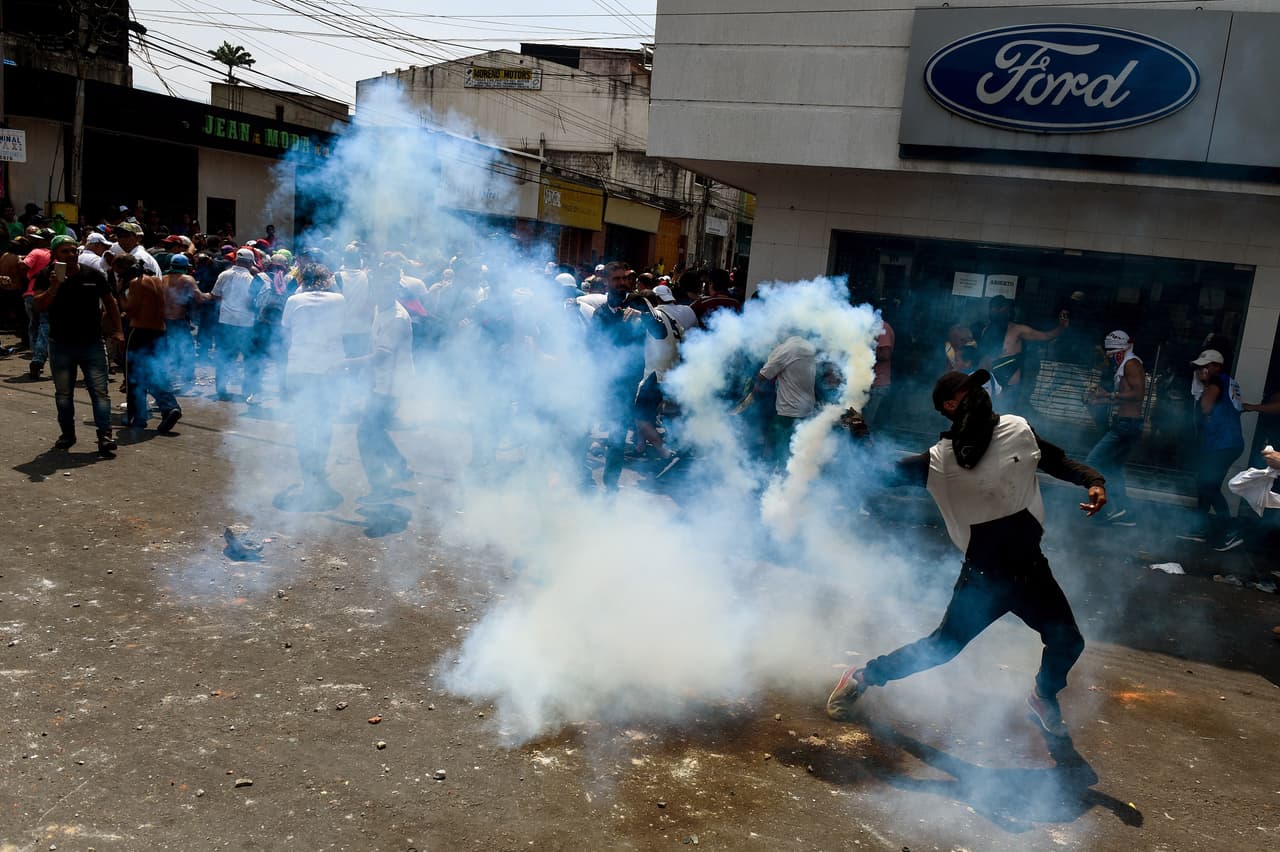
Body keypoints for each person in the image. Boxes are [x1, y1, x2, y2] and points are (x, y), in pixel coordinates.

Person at [827, 370, 1106, 738]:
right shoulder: (938, 462)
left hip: (1031, 572)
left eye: (978, 385)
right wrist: (859, 438)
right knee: (941, 648)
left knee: (1068, 641)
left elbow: (1056, 460)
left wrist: (1092, 480)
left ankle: (1042, 696)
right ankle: (863, 676)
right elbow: (879, 475)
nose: (978, 392)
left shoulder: (1017, 428)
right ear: (949, 405)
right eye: (966, 390)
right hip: (983, 580)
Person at [31, 235, 124, 453]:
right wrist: (54, 287)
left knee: (100, 392)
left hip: (92, 343)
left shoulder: (93, 275)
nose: (71, 255)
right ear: (55, 254)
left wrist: (119, 330)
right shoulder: (45, 276)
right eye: (65, 251)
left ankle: (105, 436)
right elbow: (39, 306)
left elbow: (110, 303)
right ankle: (67, 433)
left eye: (74, 251)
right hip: (60, 345)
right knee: (64, 394)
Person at [345, 265, 414, 501]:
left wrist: (346, 363)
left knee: (366, 433)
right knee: (373, 429)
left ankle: (380, 487)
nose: (381, 292)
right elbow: (373, 344)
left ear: (395, 289)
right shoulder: (380, 309)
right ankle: (398, 465)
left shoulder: (397, 318)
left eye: (387, 288)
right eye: (378, 287)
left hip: (393, 386)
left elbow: (381, 356)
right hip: (382, 382)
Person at [281, 264, 346, 501]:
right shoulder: (339, 299)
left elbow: (286, 335)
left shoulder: (293, 300)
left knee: (303, 424)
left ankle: (308, 475)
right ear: (327, 280)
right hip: (330, 370)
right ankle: (319, 469)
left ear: (302, 280)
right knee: (325, 422)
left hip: (299, 369)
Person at [1179, 350, 1245, 551]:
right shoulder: (1229, 382)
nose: (1201, 371)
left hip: (1222, 443)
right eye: (1200, 367)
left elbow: (1206, 407)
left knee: (1208, 486)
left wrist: (1205, 385)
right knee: (1205, 484)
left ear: (1217, 366)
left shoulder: (1217, 380)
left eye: (1205, 367)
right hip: (1224, 443)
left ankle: (1230, 531)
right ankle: (1199, 529)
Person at [1084, 330, 1146, 526]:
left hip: (1127, 425)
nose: (1111, 358)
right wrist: (1101, 400)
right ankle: (1124, 509)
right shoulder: (1125, 364)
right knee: (1113, 467)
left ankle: (1107, 504)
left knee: (1093, 461)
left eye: (1113, 354)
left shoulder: (1131, 363)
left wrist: (1108, 396)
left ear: (1122, 350)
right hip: (1125, 423)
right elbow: (1126, 397)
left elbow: (1138, 395)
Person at [118, 255, 182, 433]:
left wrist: (120, 294)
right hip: (159, 332)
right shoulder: (158, 281)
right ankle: (170, 407)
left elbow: (131, 310)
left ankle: (137, 416)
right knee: (156, 373)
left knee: (134, 376)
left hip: (139, 332)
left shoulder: (136, 283)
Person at [977, 295, 1068, 410]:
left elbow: (1046, 336)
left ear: (1008, 311)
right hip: (991, 378)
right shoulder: (986, 330)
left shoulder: (1017, 329)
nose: (997, 311)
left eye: (1000, 308)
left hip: (1010, 377)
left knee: (1006, 410)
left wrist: (1061, 327)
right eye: (994, 308)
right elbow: (984, 357)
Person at [755, 334, 817, 468]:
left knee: (776, 442)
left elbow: (764, 374)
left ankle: (772, 469)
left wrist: (757, 384)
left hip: (789, 410)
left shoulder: (788, 349)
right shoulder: (809, 348)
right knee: (799, 443)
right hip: (807, 409)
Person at [210, 248, 262, 401]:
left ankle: (221, 390)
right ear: (250, 263)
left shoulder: (224, 275)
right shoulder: (251, 279)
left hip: (225, 322)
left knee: (224, 357)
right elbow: (252, 303)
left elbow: (215, 295)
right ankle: (247, 391)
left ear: (236, 261)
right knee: (249, 359)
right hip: (246, 324)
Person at [162, 253, 208, 393]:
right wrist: (212, 295)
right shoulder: (187, 279)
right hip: (178, 321)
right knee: (187, 351)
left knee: (167, 351)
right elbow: (199, 298)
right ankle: (187, 380)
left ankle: (168, 380)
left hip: (163, 321)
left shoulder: (162, 278)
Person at [864, 315, 894, 426]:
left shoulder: (882, 327)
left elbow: (885, 355)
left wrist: (863, 351)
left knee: (865, 424)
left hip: (876, 385)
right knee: (853, 420)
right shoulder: (865, 326)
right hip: (862, 384)